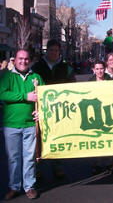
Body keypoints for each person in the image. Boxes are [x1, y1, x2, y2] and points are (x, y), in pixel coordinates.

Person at [0, 49, 44, 200]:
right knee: (13, 158)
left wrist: (41, 113)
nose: (23, 61)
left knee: (29, 157)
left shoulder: (36, 77)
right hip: (11, 124)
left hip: (30, 124)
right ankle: (14, 186)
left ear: (29, 60)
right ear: (15, 59)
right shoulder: (7, 76)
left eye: (26, 59)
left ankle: (29, 186)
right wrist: (25, 96)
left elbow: (45, 98)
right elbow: (2, 94)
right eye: (20, 58)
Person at [32, 39, 76, 179]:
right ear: (47, 51)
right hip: (42, 107)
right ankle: (38, 167)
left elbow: (72, 86)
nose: (53, 53)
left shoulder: (66, 67)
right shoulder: (37, 67)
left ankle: (57, 165)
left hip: (59, 108)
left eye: (56, 50)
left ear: (59, 52)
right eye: (51, 50)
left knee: (56, 136)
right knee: (39, 137)